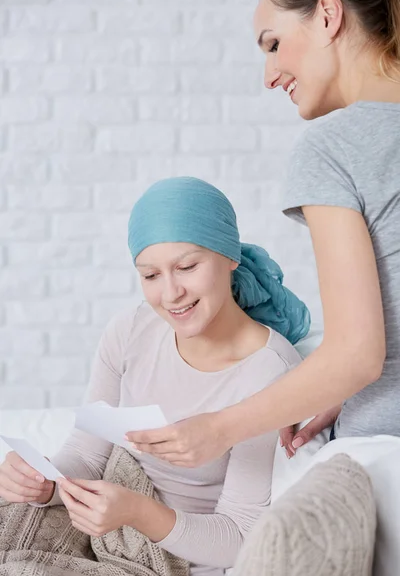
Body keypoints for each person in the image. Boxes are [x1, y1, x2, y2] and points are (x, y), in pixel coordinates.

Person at [124, 0, 400, 466]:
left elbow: (357, 353)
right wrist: (341, 387)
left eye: (273, 45)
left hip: (381, 454)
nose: (269, 75)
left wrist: (219, 429)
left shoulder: (333, 148)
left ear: (329, 15)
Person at [0, 177, 310, 576]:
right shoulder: (130, 331)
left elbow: (239, 537)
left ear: (230, 256)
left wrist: (136, 512)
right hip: (103, 517)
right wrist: (44, 483)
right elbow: (86, 456)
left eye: (186, 267)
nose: (170, 294)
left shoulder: (271, 370)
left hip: (170, 550)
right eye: (150, 276)